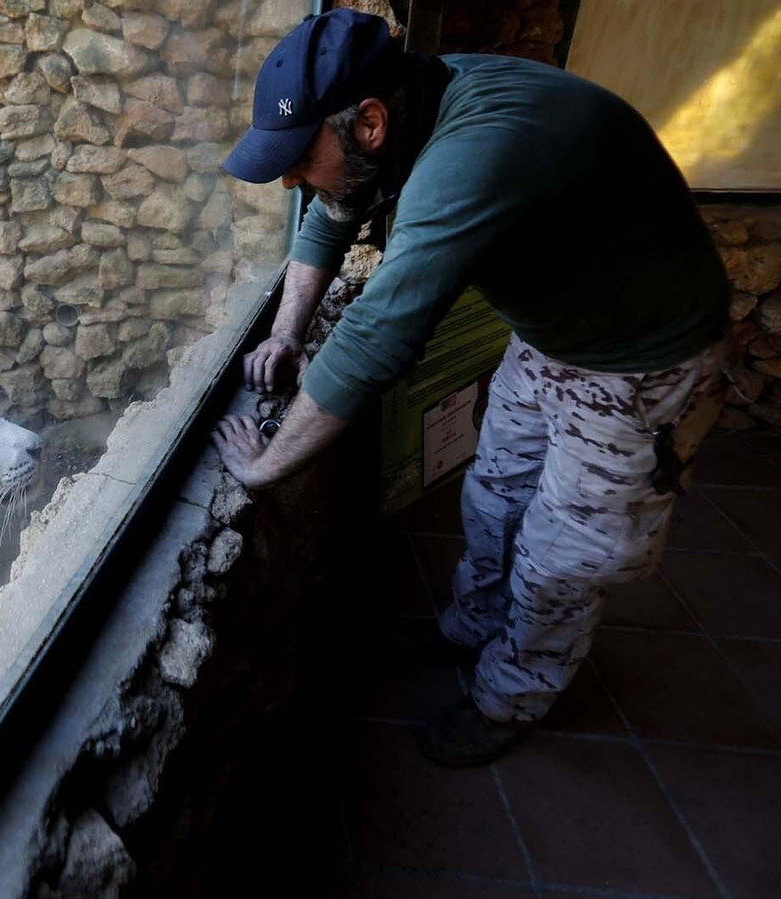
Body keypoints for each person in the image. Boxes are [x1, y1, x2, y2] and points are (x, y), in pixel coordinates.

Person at [210, 9, 732, 766]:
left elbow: (376, 339)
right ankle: (473, 626)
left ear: (369, 125)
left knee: (564, 557)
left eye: (296, 157)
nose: (289, 177)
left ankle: (510, 696)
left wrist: (266, 467)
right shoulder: (408, 108)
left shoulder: (468, 155)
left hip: (644, 362)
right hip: (554, 335)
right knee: (494, 497)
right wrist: (287, 334)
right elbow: (330, 215)